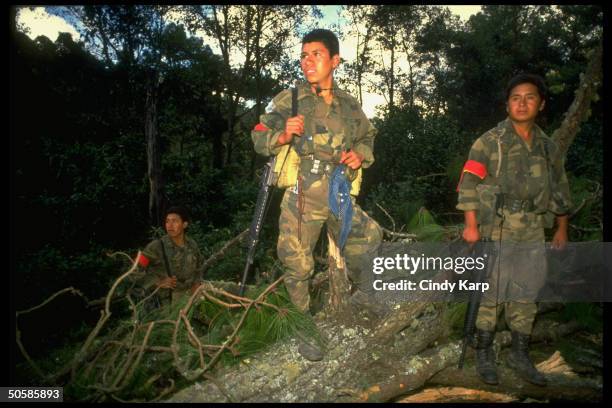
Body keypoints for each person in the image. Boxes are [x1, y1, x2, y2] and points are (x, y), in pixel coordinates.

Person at [251, 29, 382, 361]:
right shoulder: (289, 99)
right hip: (302, 194)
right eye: (304, 55)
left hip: (338, 189)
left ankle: (366, 299)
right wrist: (282, 136)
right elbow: (258, 135)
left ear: (334, 61)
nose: (308, 61)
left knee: (369, 240)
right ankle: (302, 326)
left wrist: (360, 154)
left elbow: (368, 137)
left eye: (316, 55)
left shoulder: (349, 105)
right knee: (297, 263)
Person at [456, 73, 572, 386]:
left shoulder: (548, 148)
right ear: (507, 105)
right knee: (491, 291)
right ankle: (483, 352)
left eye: (529, 97)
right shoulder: (490, 141)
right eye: (515, 98)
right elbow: (468, 184)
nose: (522, 103)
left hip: (533, 228)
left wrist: (561, 228)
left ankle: (520, 353)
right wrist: (471, 226)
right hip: (498, 226)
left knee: (526, 291)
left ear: (541, 104)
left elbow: (560, 190)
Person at [135, 206, 204, 307]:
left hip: (190, 295)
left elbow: (199, 267)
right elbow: (134, 269)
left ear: (184, 224)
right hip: (167, 301)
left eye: (174, 221)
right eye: (167, 221)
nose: (170, 225)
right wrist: (157, 282)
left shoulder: (192, 244)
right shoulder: (156, 246)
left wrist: (196, 283)